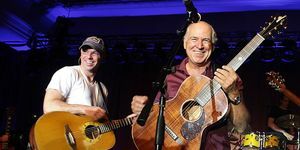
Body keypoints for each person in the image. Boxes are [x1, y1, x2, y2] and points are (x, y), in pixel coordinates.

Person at [131, 21, 250, 149]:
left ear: (213, 46)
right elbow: (153, 118)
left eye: (205, 40)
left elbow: (242, 127)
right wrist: (143, 108)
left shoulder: (227, 78)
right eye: (194, 39)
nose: (199, 46)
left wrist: (233, 92)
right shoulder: (169, 75)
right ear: (184, 43)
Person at [43, 36, 108, 121]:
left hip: (83, 134)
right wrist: (84, 109)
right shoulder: (68, 73)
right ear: (80, 53)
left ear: (102, 57)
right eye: (85, 51)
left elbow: (100, 124)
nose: (89, 56)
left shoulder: (103, 89)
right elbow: (49, 106)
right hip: (64, 133)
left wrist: (126, 121)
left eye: (94, 52)